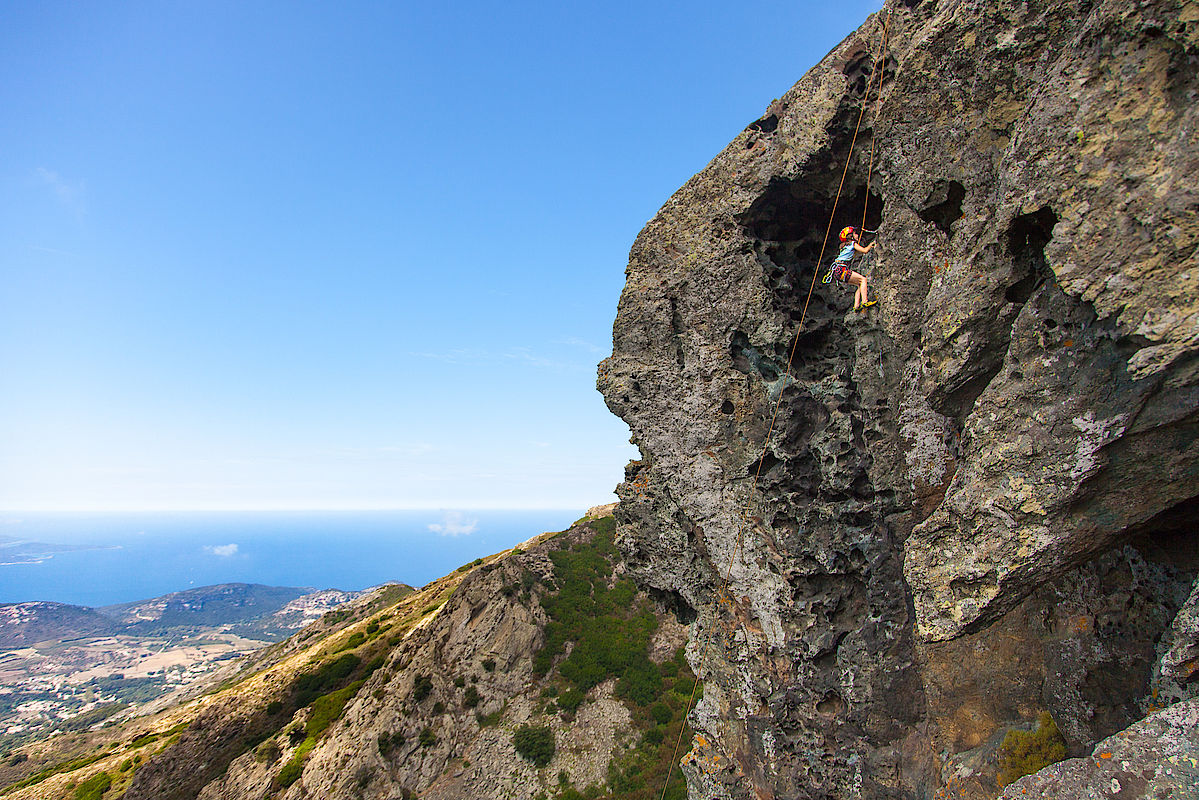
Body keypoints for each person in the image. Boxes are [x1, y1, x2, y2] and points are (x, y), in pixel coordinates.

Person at [823, 226, 877, 310]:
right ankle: (865, 301)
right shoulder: (852, 244)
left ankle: (856, 306)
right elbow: (865, 250)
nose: (857, 235)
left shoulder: (844, 247)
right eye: (855, 233)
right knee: (863, 280)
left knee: (860, 284)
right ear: (850, 236)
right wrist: (871, 244)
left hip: (837, 271)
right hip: (842, 269)